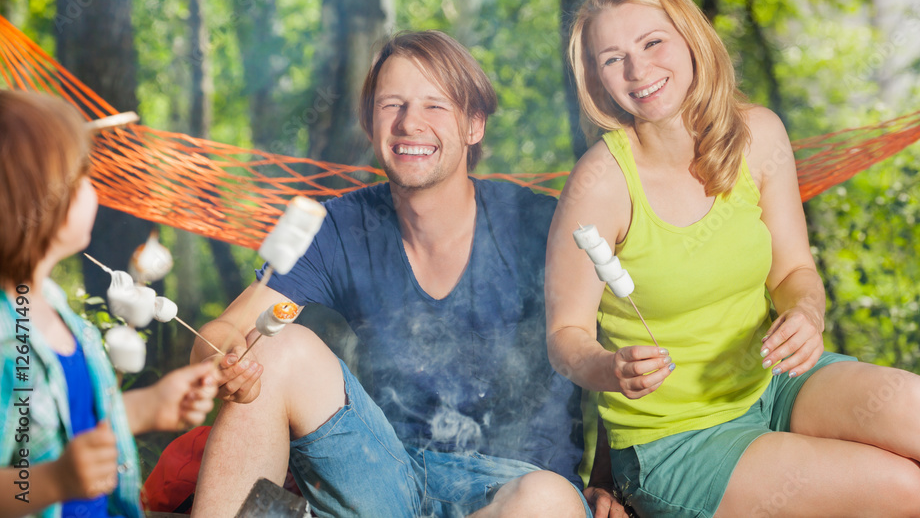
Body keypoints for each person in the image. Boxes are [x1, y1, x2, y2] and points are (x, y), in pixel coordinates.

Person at [545, 0, 920, 518]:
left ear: (691, 39)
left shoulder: (758, 135)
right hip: (678, 439)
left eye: (652, 42)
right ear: (596, 80)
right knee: (902, 489)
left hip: (775, 381)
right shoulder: (600, 184)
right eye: (612, 59)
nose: (638, 70)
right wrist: (608, 368)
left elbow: (793, 272)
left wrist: (806, 312)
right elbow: (565, 335)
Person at [191, 31, 623, 518]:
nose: (409, 123)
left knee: (546, 500)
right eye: (391, 105)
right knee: (272, 347)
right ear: (370, 124)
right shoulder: (328, 224)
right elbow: (225, 328)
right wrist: (226, 359)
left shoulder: (544, 225)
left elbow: (617, 348)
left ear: (474, 124)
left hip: (520, 491)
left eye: (435, 106)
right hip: (385, 478)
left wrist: (610, 482)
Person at [0, 90, 219, 518]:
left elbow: (72, 420)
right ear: (38, 199)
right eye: (80, 177)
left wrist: (146, 407)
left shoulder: (56, 310)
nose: (93, 188)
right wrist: (50, 482)